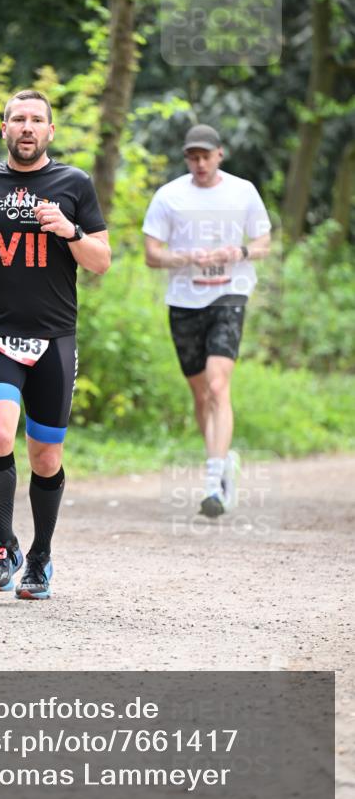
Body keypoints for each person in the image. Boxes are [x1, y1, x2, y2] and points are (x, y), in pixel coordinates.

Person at [0, 89, 110, 599]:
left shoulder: (73, 184)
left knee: (44, 458)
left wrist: (71, 231)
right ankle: (3, 546)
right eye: (19, 119)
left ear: (51, 131)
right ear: (5, 128)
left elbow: (100, 260)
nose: (28, 127)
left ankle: (39, 557)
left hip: (55, 336)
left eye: (37, 120)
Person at [143, 124, 272, 517]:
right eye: (192, 157)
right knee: (201, 394)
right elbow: (151, 254)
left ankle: (213, 480)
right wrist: (187, 258)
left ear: (220, 154)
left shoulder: (243, 191)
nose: (199, 163)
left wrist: (241, 252)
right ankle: (222, 459)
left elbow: (264, 244)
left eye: (205, 156)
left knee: (218, 386)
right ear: (187, 159)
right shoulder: (169, 196)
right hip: (184, 301)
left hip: (229, 294)